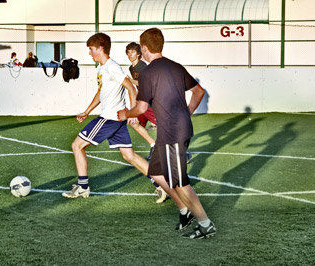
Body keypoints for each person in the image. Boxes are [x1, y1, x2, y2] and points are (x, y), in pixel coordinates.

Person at [118, 28, 216, 239]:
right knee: (155, 173)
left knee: (180, 181)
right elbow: (199, 92)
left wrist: (125, 113)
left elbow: (142, 108)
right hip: (171, 130)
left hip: (173, 133)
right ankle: (184, 210)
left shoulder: (147, 73)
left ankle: (205, 223)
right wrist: (187, 112)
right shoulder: (176, 67)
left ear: (144, 48)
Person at [62, 32, 167, 204]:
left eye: (91, 49)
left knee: (77, 145)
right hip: (116, 119)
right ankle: (162, 184)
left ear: (100, 48)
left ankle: (82, 187)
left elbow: (130, 88)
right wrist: (87, 111)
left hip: (109, 119)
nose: (90, 53)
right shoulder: (101, 68)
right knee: (129, 156)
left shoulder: (112, 67)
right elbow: (100, 93)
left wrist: (133, 113)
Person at [125, 42, 193, 163]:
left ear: (139, 54)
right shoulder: (132, 68)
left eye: (133, 52)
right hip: (142, 102)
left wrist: (129, 81)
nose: (130, 54)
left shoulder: (142, 67)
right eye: (128, 52)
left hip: (151, 103)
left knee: (166, 127)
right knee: (134, 123)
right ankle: (153, 145)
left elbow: (145, 83)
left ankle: (182, 154)